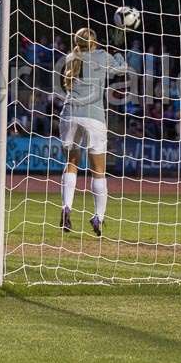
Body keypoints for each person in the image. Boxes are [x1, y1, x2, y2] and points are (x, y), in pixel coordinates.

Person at [58, 27, 130, 235]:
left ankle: (66, 207)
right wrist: (117, 51)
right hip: (94, 116)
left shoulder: (71, 56)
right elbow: (122, 69)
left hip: (70, 113)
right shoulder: (103, 56)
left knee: (71, 163)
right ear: (95, 42)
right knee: (98, 170)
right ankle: (98, 217)